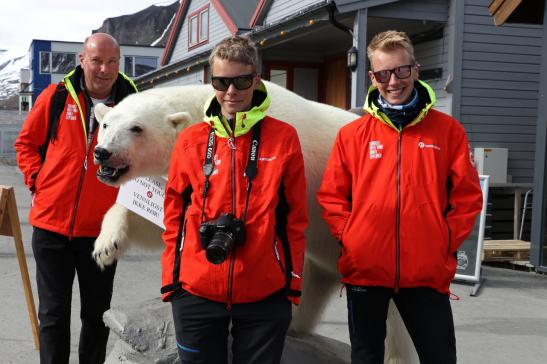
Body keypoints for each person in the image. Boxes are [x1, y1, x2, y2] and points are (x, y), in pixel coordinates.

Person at [317, 30, 483, 364]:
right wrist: (353, 238)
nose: (393, 81)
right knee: (366, 356)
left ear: (415, 70)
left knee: (439, 356)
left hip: (425, 271)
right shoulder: (352, 135)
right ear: (372, 77)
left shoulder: (447, 131)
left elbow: (466, 197)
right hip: (366, 269)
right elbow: (332, 197)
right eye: (383, 73)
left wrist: (442, 242)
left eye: (401, 70)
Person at [161, 35, 308, 364]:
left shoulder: (283, 137)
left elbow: (295, 218)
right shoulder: (190, 140)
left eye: (241, 81)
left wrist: (292, 285)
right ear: (210, 81)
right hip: (196, 292)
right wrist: (172, 285)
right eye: (221, 81)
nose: (231, 91)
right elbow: (174, 214)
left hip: (264, 294)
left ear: (256, 79)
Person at [14, 33, 138, 364]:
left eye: (112, 62)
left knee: (97, 318)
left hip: (102, 232)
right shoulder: (55, 97)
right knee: (53, 317)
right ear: (82, 60)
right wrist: (37, 181)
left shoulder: (133, 105)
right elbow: (26, 145)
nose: (104, 69)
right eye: (97, 60)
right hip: (52, 228)